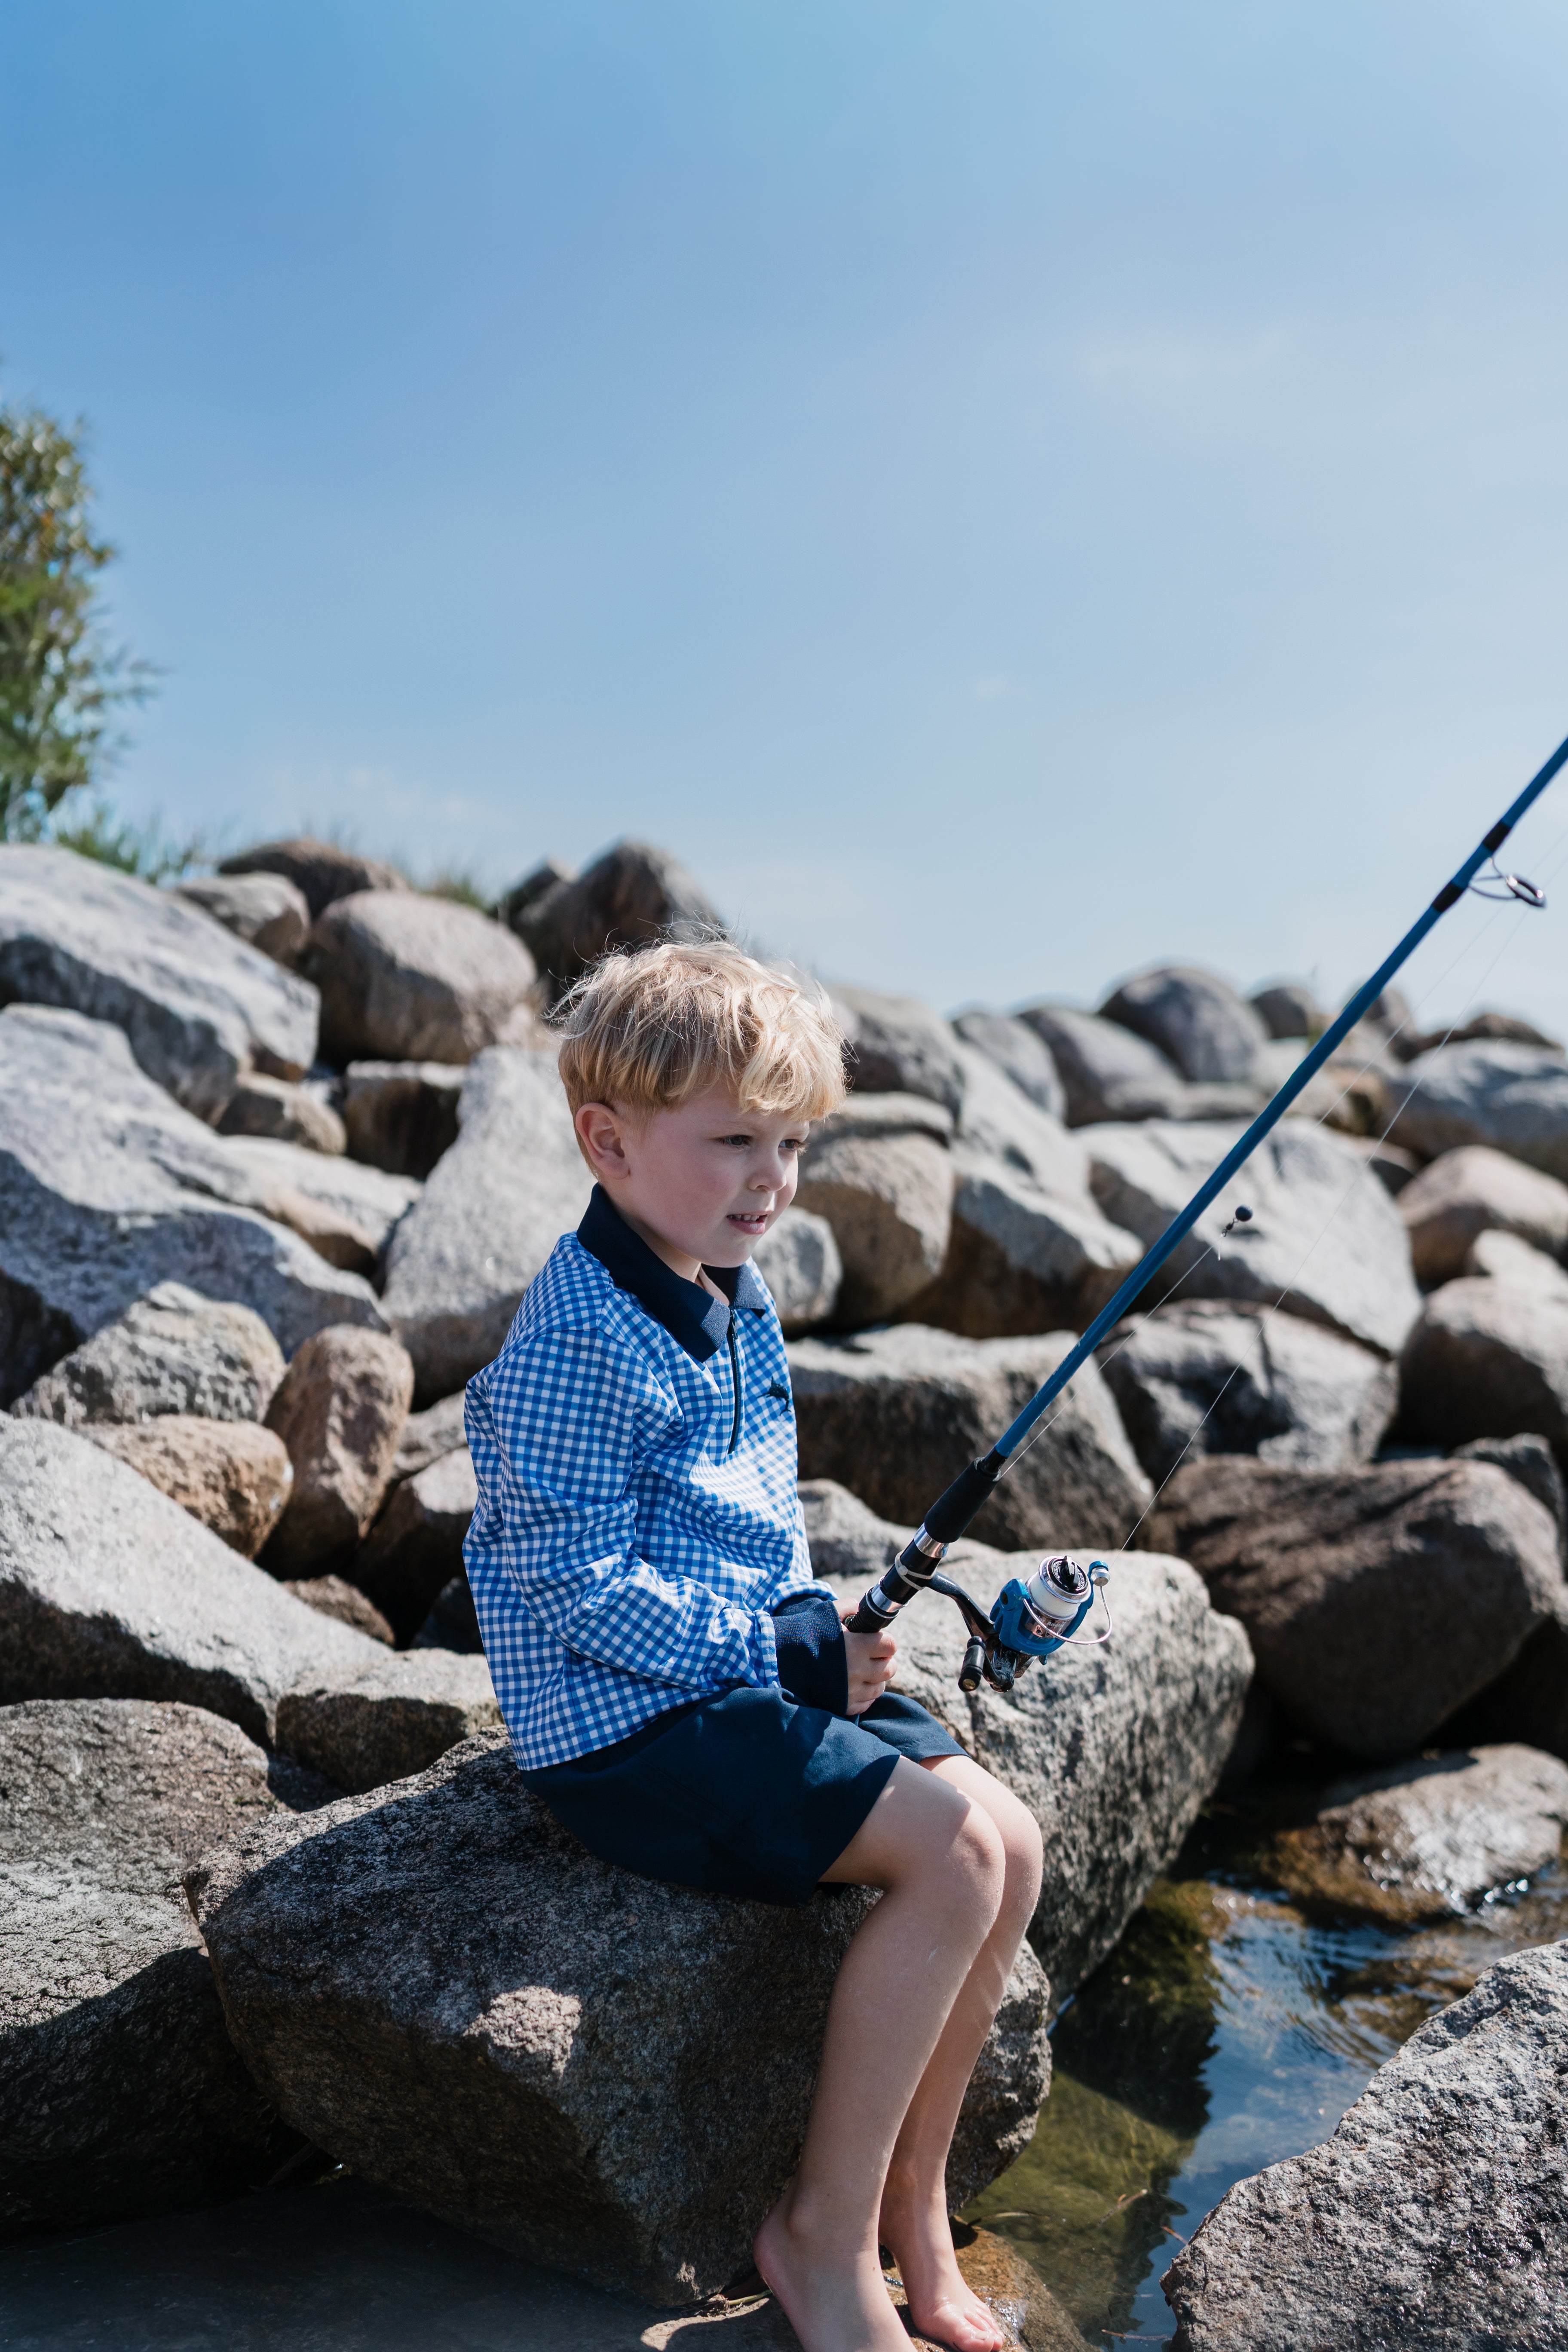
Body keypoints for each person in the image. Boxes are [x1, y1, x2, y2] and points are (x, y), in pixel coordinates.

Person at [463, 941, 1043, 2352]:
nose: (771, 1180)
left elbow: (750, 1517)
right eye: (733, 1142)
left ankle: (917, 2208)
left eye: (790, 1143)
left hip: (729, 1670)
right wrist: (780, 1656)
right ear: (607, 1141)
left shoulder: (737, 1291)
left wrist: (821, 1622)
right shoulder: (570, 1341)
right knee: (950, 1856)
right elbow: (576, 1584)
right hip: (622, 1724)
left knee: (1009, 1841)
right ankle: (820, 2240)